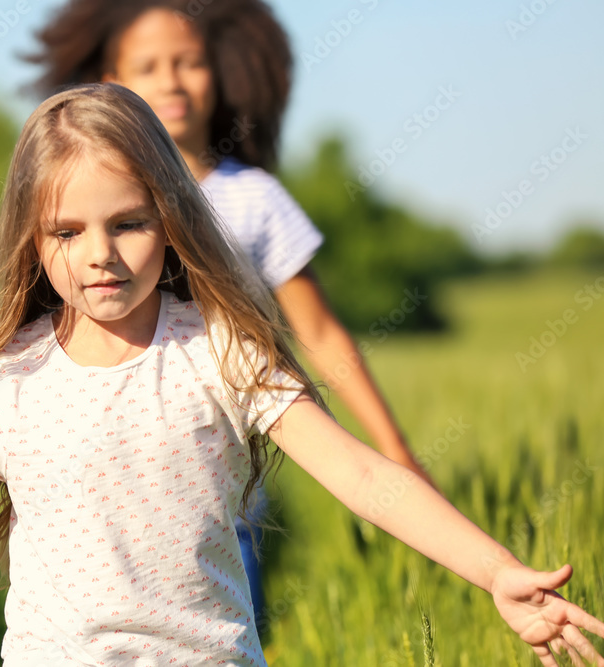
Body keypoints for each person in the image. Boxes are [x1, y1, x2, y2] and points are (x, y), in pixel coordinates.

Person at [0, 84, 604, 667]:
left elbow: (360, 476)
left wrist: (495, 567)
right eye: (66, 232)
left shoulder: (223, 352)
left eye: (128, 222)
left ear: (171, 216)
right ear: (31, 242)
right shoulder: (8, 385)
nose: (100, 256)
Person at [22, 0, 438, 630]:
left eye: (189, 62)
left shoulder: (255, 200)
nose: (171, 80)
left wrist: (396, 450)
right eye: (149, 65)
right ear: (111, 81)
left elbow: (320, 332)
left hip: (214, 477)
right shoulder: (87, 207)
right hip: (96, 479)